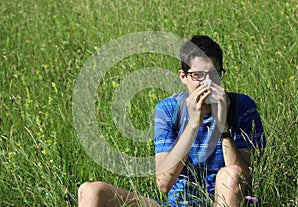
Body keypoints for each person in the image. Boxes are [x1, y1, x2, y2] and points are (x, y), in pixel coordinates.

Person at [77, 35, 266, 207]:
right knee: (91, 191)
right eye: (198, 75)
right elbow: (164, 183)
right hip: (177, 204)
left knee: (230, 174)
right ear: (183, 77)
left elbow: (244, 181)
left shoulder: (242, 106)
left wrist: (223, 126)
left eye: (214, 74)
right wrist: (193, 124)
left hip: (222, 201)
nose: (207, 83)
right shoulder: (168, 110)